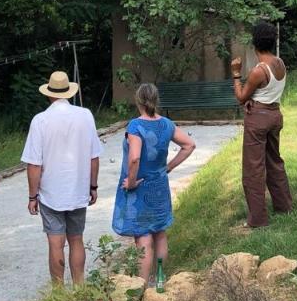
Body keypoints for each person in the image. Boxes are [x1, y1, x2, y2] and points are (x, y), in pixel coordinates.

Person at [21, 70, 102, 286]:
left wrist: (32, 196)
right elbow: (94, 157)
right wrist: (93, 186)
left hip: (51, 193)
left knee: (55, 243)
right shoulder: (85, 116)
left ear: (49, 94)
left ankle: (58, 292)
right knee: (76, 240)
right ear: (69, 92)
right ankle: (79, 287)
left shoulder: (40, 120)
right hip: (78, 190)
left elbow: (34, 163)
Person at [112, 83, 196, 285]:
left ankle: (142, 286)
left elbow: (134, 158)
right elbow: (189, 145)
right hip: (159, 185)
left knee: (143, 238)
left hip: (140, 189)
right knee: (159, 233)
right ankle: (159, 280)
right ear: (156, 100)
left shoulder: (135, 126)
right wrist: (168, 168)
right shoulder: (167, 124)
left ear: (138, 100)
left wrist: (131, 182)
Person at [230, 21, 292, 228]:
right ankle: (284, 206)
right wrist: (252, 100)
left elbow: (240, 97)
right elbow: (266, 92)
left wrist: (236, 73)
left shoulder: (259, 71)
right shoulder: (280, 64)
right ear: (272, 41)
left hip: (258, 120)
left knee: (253, 170)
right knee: (275, 161)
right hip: (275, 115)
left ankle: (258, 219)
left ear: (254, 43)